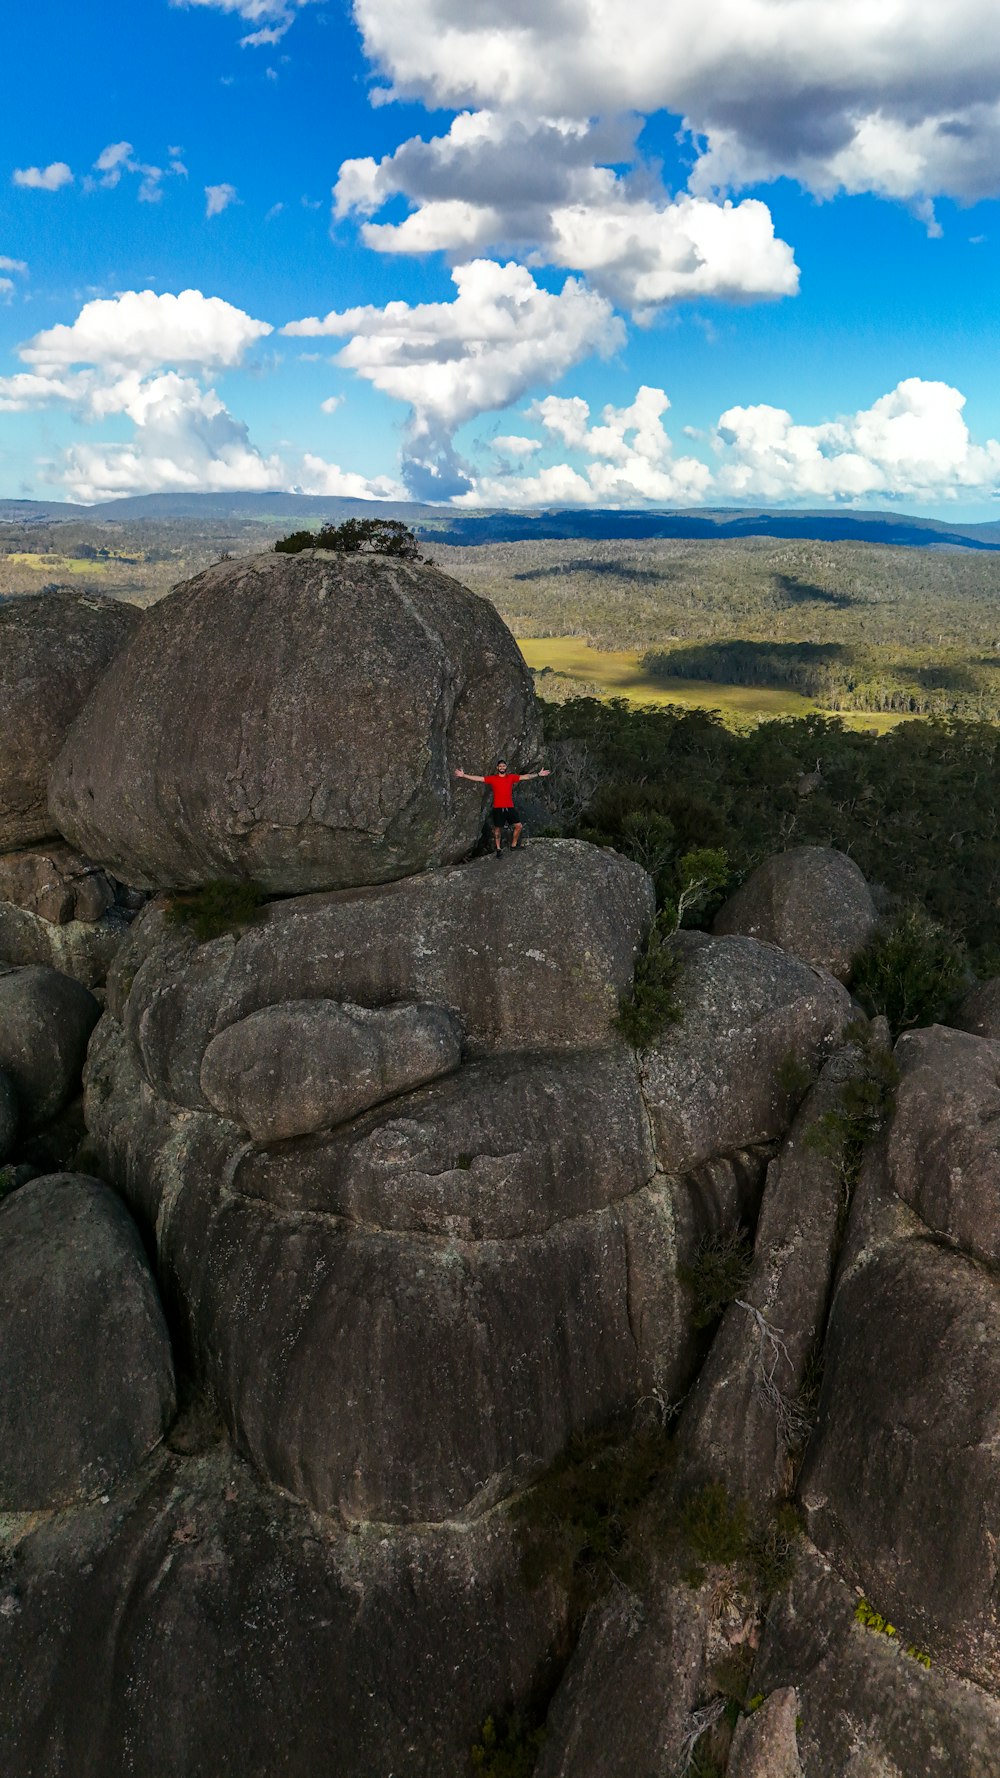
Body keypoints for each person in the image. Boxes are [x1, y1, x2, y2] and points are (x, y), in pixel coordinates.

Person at [454, 758, 550, 852]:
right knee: (498, 829)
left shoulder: (511, 777)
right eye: (500, 766)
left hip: (509, 807)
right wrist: (464, 775)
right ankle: (498, 848)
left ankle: (513, 845)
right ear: (497, 768)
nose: (502, 767)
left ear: (506, 767)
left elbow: (525, 777)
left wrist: (538, 774)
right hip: (498, 808)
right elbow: (479, 779)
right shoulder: (493, 779)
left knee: (519, 826)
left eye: (503, 766)